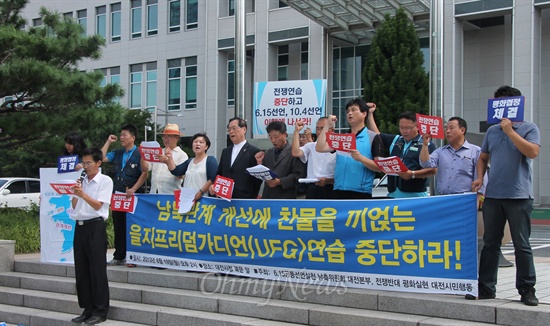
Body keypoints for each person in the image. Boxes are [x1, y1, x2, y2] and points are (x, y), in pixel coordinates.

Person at [468, 86, 541, 306]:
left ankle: (527, 289)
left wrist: (510, 132)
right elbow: (482, 157)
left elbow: (532, 152)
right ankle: (486, 288)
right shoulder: (492, 131)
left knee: (522, 244)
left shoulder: (529, 127)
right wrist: (480, 177)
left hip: (519, 196)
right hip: (494, 196)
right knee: (490, 243)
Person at [70, 147, 113, 325]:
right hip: (79, 227)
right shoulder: (82, 181)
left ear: (98, 163)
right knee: (82, 271)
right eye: (83, 163)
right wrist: (76, 193)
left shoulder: (105, 181)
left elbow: (98, 206)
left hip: (95, 226)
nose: (85, 167)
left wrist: (83, 194)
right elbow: (74, 205)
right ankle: (87, 309)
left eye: (89, 163)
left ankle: (100, 310)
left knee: (97, 271)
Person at [316, 98, 384, 199]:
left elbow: (380, 167)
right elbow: (320, 148)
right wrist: (327, 126)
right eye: (347, 111)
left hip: (360, 192)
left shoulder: (373, 137)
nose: (349, 114)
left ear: (364, 113)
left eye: (354, 110)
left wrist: (361, 158)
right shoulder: (342, 138)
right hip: (338, 190)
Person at [101, 124, 148, 266]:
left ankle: (133, 256)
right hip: (118, 196)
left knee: (132, 226)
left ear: (133, 138)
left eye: (125, 135)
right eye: (121, 135)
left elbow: (145, 173)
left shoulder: (140, 153)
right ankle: (119, 255)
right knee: (118, 225)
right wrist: (109, 141)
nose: (121, 137)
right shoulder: (117, 153)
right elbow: (101, 158)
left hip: (132, 196)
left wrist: (133, 189)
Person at [368, 108, 436, 198]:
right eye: (401, 127)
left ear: (417, 127)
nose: (404, 131)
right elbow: (376, 135)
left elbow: (432, 170)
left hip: (415, 196)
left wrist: (412, 174)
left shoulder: (426, 144)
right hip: (392, 195)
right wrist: (369, 114)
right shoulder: (396, 140)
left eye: (408, 128)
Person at [209, 117, 261, 199]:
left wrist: (252, 196)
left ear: (244, 129)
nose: (231, 132)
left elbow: (257, 179)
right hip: (225, 198)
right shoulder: (226, 151)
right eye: (229, 129)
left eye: (234, 128)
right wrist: (214, 186)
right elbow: (220, 173)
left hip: (244, 199)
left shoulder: (253, 151)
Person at [255, 121, 305, 199]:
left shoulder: (294, 152)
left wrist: (280, 181)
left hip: (285, 197)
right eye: (270, 137)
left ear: (284, 134)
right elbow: (263, 172)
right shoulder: (268, 152)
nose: (273, 140)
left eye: (276, 136)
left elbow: (298, 175)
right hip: (267, 196)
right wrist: (259, 163)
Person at [162, 133, 218, 202]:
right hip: (187, 200)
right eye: (195, 142)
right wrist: (169, 157)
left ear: (206, 146)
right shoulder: (189, 161)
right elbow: (176, 171)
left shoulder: (210, 160)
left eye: (201, 142)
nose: (197, 144)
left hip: (203, 200)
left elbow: (213, 178)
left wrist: (201, 192)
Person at [292, 118, 336, 199]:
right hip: (312, 187)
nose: (319, 132)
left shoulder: (338, 147)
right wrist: (296, 131)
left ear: (332, 130)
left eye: (322, 128)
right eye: (317, 128)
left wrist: (328, 180)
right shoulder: (311, 146)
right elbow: (295, 152)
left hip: (330, 187)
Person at [148, 123, 188, 194]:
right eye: (164, 137)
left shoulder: (182, 155)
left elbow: (180, 175)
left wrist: (167, 161)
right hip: (154, 193)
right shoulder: (158, 152)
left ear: (177, 138)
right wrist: (143, 154)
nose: (166, 139)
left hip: (171, 195)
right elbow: (146, 168)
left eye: (169, 136)